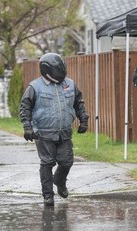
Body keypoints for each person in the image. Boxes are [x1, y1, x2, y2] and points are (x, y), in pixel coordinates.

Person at [20, 53, 89, 206]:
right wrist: (27, 127)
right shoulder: (35, 87)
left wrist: (83, 119)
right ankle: (48, 195)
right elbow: (25, 107)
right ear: (47, 70)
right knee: (47, 163)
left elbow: (79, 102)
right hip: (43, 133)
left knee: (66, 162)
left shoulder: (69, 84)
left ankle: (59, 181)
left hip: (64, 131)